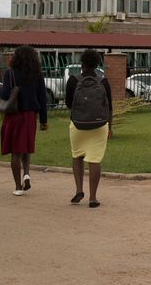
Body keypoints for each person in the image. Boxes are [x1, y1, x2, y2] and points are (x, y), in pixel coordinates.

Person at [0, 45, 48, 196]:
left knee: (15, 151)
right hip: (30, 116)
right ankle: (26, 173)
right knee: (25, 146)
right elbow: (42, 98)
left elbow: (5, 94)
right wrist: (43, 120)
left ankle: (18, 186)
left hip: (14, 115)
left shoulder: (10, 72)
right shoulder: (37, 74)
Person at [65, 49, 112, 208]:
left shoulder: (73, 80)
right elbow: (109, 107)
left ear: (82, 64)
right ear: (97, 65)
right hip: (99, 126)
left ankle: (79, 190)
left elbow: (69, 103)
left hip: (77, 125)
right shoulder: (103, 82)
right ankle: (93, 198)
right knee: (95, 160)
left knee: (77, 156)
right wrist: (109, 127)